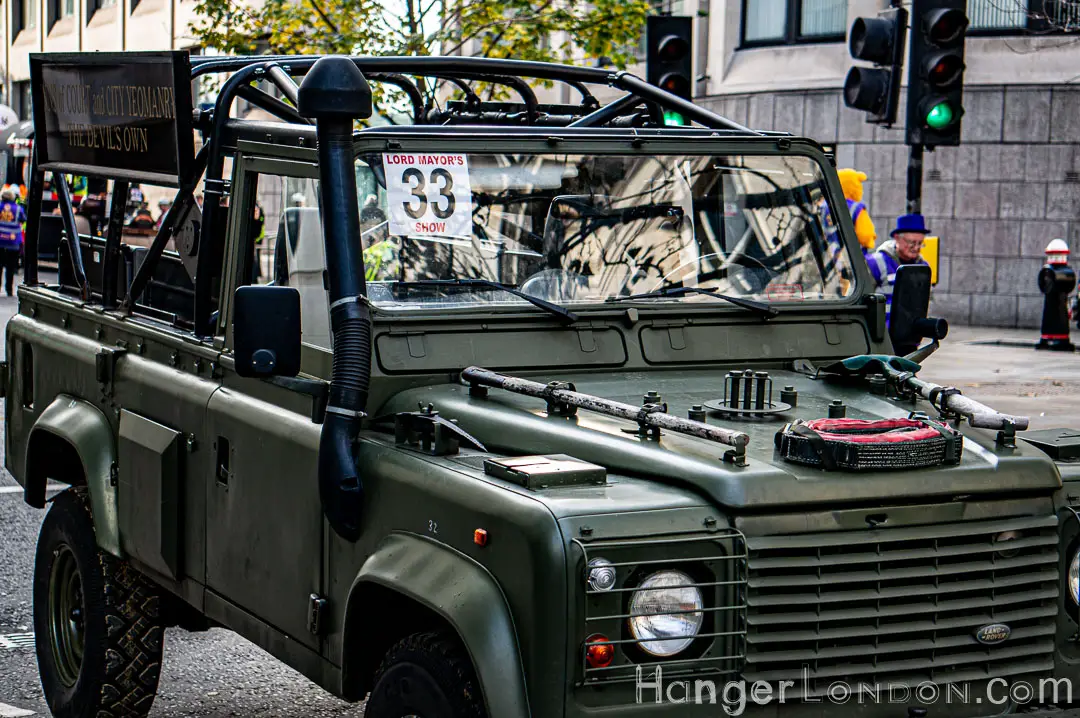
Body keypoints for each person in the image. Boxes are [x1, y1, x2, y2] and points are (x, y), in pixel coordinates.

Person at [867, 213, 931, 324]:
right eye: (911, 243)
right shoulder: (875, 263)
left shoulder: (923, 267)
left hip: (911, 335)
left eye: (920, 243)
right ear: (897, 238)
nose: (916, 248)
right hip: (880, 334)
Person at [0, 187, 26, 295]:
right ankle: (9, 289)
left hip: (0, 241)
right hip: (13, 242)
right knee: (10, 267)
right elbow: (23, 219)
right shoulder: (18, 209)